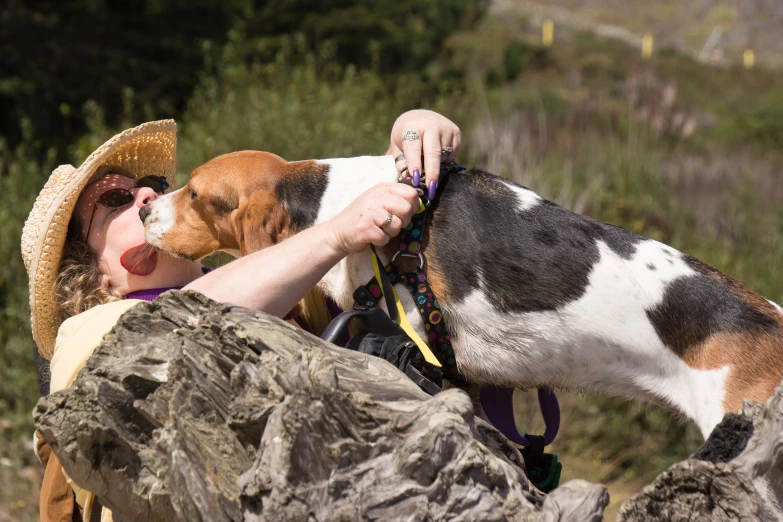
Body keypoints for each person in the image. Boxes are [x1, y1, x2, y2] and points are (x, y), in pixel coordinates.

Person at [22, 109, 461, 521]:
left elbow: (377, 230)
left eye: (152, 181)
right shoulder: (84, 335)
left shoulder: (286, 288)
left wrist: (409, 138)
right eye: (116, 199)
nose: (149, 193)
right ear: (88, 273)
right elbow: (167, 333)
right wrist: (335, 234)